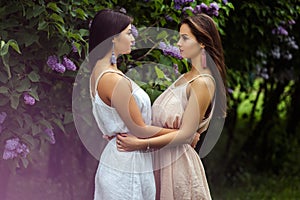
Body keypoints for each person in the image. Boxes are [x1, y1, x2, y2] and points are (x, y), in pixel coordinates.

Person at [88, 9, 200, 200]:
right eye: (129, 33)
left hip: (126, 158)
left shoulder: (101, 71)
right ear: (113, 38)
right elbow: (140, 129)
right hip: (126, 166)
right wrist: (184, 135)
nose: (133, 38)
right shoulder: (112, 79)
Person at [116, 13, 227, 200]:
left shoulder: (202, 82)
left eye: (185, 38)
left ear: (202, 43)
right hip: (161, 161)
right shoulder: (185, 77)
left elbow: (186, 135)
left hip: (177, 167)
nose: (178, 44)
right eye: (179, 38)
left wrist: (141, 144)